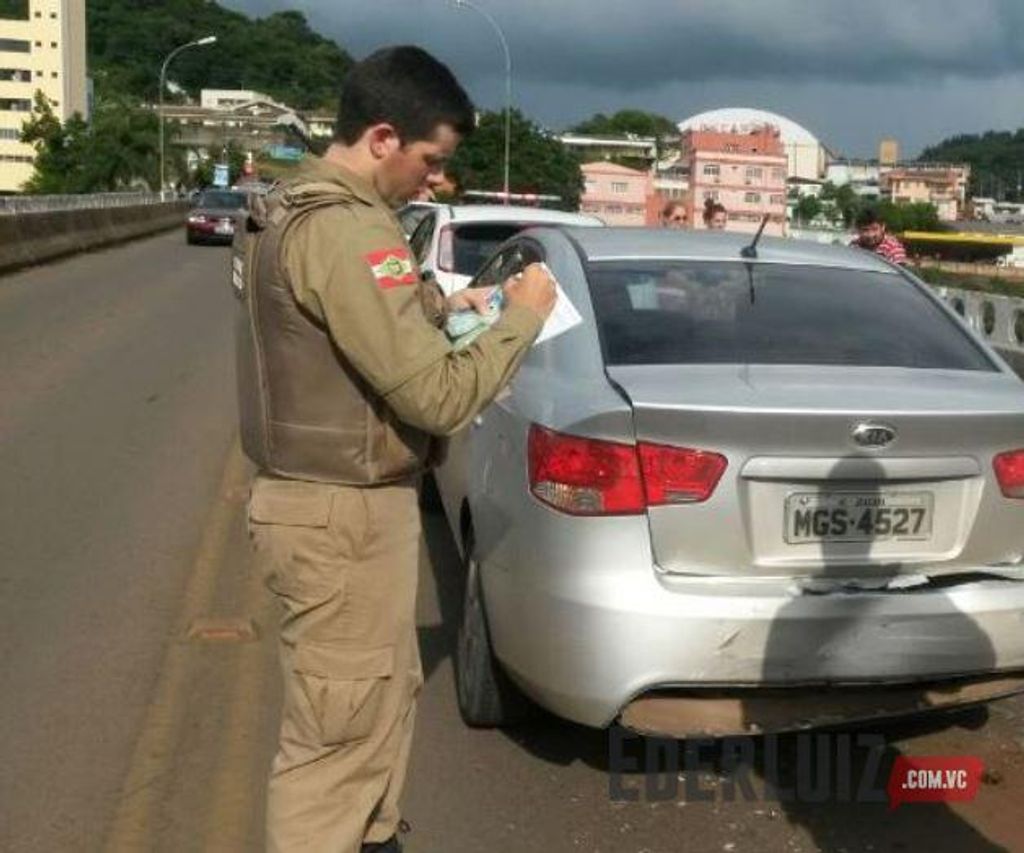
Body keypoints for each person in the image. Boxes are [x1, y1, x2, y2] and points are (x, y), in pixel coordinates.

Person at [234, 46, 556, 853]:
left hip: (333, 511)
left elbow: (355, 337)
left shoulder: (303, 206)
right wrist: (522, 318)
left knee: (373, 705)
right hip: (339, 516)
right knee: (335, 745)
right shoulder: (347, 232)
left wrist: (452, 306)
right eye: (432, 160)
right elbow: (437, 397)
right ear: (383, 137)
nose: (437, 182)